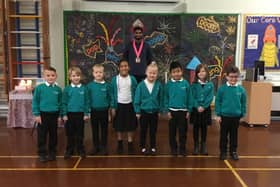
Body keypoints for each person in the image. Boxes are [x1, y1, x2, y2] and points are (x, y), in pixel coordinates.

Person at [215, 64, 246, 161]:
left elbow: (243, 103)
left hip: (236, 117)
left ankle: (233, 152)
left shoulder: (241, 90)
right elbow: (218, 102)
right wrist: (218, 114)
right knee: (223, 135)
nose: (233, 79)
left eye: (236, 77)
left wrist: (243, 114)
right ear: (227, 76)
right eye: (231, 76)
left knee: (234, 135)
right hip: (224, 117)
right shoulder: (222, 89)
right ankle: (223, 152)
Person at [32, 66, 62, 162]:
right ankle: (42, 153)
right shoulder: (39, 88)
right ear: (44, 77)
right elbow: (35, 102)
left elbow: (60, 103)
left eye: (52, 75)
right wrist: (37, 114)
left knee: (53, 135)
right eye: (48, 75)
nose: (50, 77)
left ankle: (52, 152)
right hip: (43, 115)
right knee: (42, 135)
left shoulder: (58, 89)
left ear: (56, 76)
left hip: (54, 115)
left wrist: (60, 115)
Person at [164, 61, 193, 156]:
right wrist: (167, 110)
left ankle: (182, 148)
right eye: (174, 72)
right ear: (171, 73)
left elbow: (190, 97)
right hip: (172, 112)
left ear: (182, 71)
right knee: (172, 132)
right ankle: (173, 148)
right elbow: (166, 98)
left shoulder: (186, 84)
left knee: (182, 132)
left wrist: (189, 110)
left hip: (183, 112)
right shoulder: (168, 85)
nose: (176, 74)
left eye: (178, 71)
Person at [134, 62, 163, 155]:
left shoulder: (158, 85)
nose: (152, 75)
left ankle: (153, 146)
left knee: (153, 130)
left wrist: (159, 110)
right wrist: (137, 111)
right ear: (146, 72)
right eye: (150, 73)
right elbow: (137, 99)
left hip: (154, 112)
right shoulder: (141, 85)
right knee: (143, 130)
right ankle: (143, 146)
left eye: (154, 73)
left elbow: (161, 98)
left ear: (157, 74)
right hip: (144, 112)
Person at [111, 59, 138, 155]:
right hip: (119, 105)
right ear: (118, 68)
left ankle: (130, 143)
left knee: (130, 125)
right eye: (122, 66)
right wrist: (113, 107)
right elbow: (112, 94)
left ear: (129, 67)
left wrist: (136, 106)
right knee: (119, 126)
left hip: (130, 105)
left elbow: (136, 92)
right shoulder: (114, 80)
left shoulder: (133, 79)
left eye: (126, 66)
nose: (124, 68)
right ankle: (120, 143)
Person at [62, 67, 89, 159]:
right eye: (73, 76)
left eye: (77, 75)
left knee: (80, 133)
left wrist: (86, 113)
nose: (76, 77)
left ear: (80, 77)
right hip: (69, 115)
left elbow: (87, 102)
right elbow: (64, 103)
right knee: (70, 134)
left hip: (80, 115)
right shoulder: (67, 89)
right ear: (70, 77)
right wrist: (64, 114)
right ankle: (69, 150)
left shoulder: (84, 89)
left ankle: (80, 149)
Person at [190, 64, 214, 155]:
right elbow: (192, 97)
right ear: (196, 74)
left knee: (204, 128)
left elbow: (210, 97)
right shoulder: (194, 85)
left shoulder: (210, 84)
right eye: (199, 71)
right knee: (196, 128)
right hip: (196, 110)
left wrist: (203, 106)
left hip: (205, 109)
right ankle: (196, 146)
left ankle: (203, 145)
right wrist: (197, 106)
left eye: (203, 71)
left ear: (207, 72)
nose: (201, 73)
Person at [87, 64, 111, 155]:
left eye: (100, 72)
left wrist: (109, 112)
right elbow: (88, 99)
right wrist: (88, 111)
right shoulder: (89, 86)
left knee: (104, 130)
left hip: (104, 111)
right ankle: (95, 146)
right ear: (93, 74)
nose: (98, 74)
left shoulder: (107, 85)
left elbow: (109, 98)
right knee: (95, 130)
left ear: (103, 73)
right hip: (94, 111)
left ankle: (104, 147)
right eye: (96, 72)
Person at [123, 19, 153, 83]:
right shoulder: (129, 45)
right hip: (131, 74)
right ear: (134, 34)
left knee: (142, 92)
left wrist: (144, 67)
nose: (138, 35)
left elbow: (150, 59)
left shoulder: (146, 46)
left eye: (140, 33)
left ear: (142, 34)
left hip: (144, 75)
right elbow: (125, 59)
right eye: (136, 33)